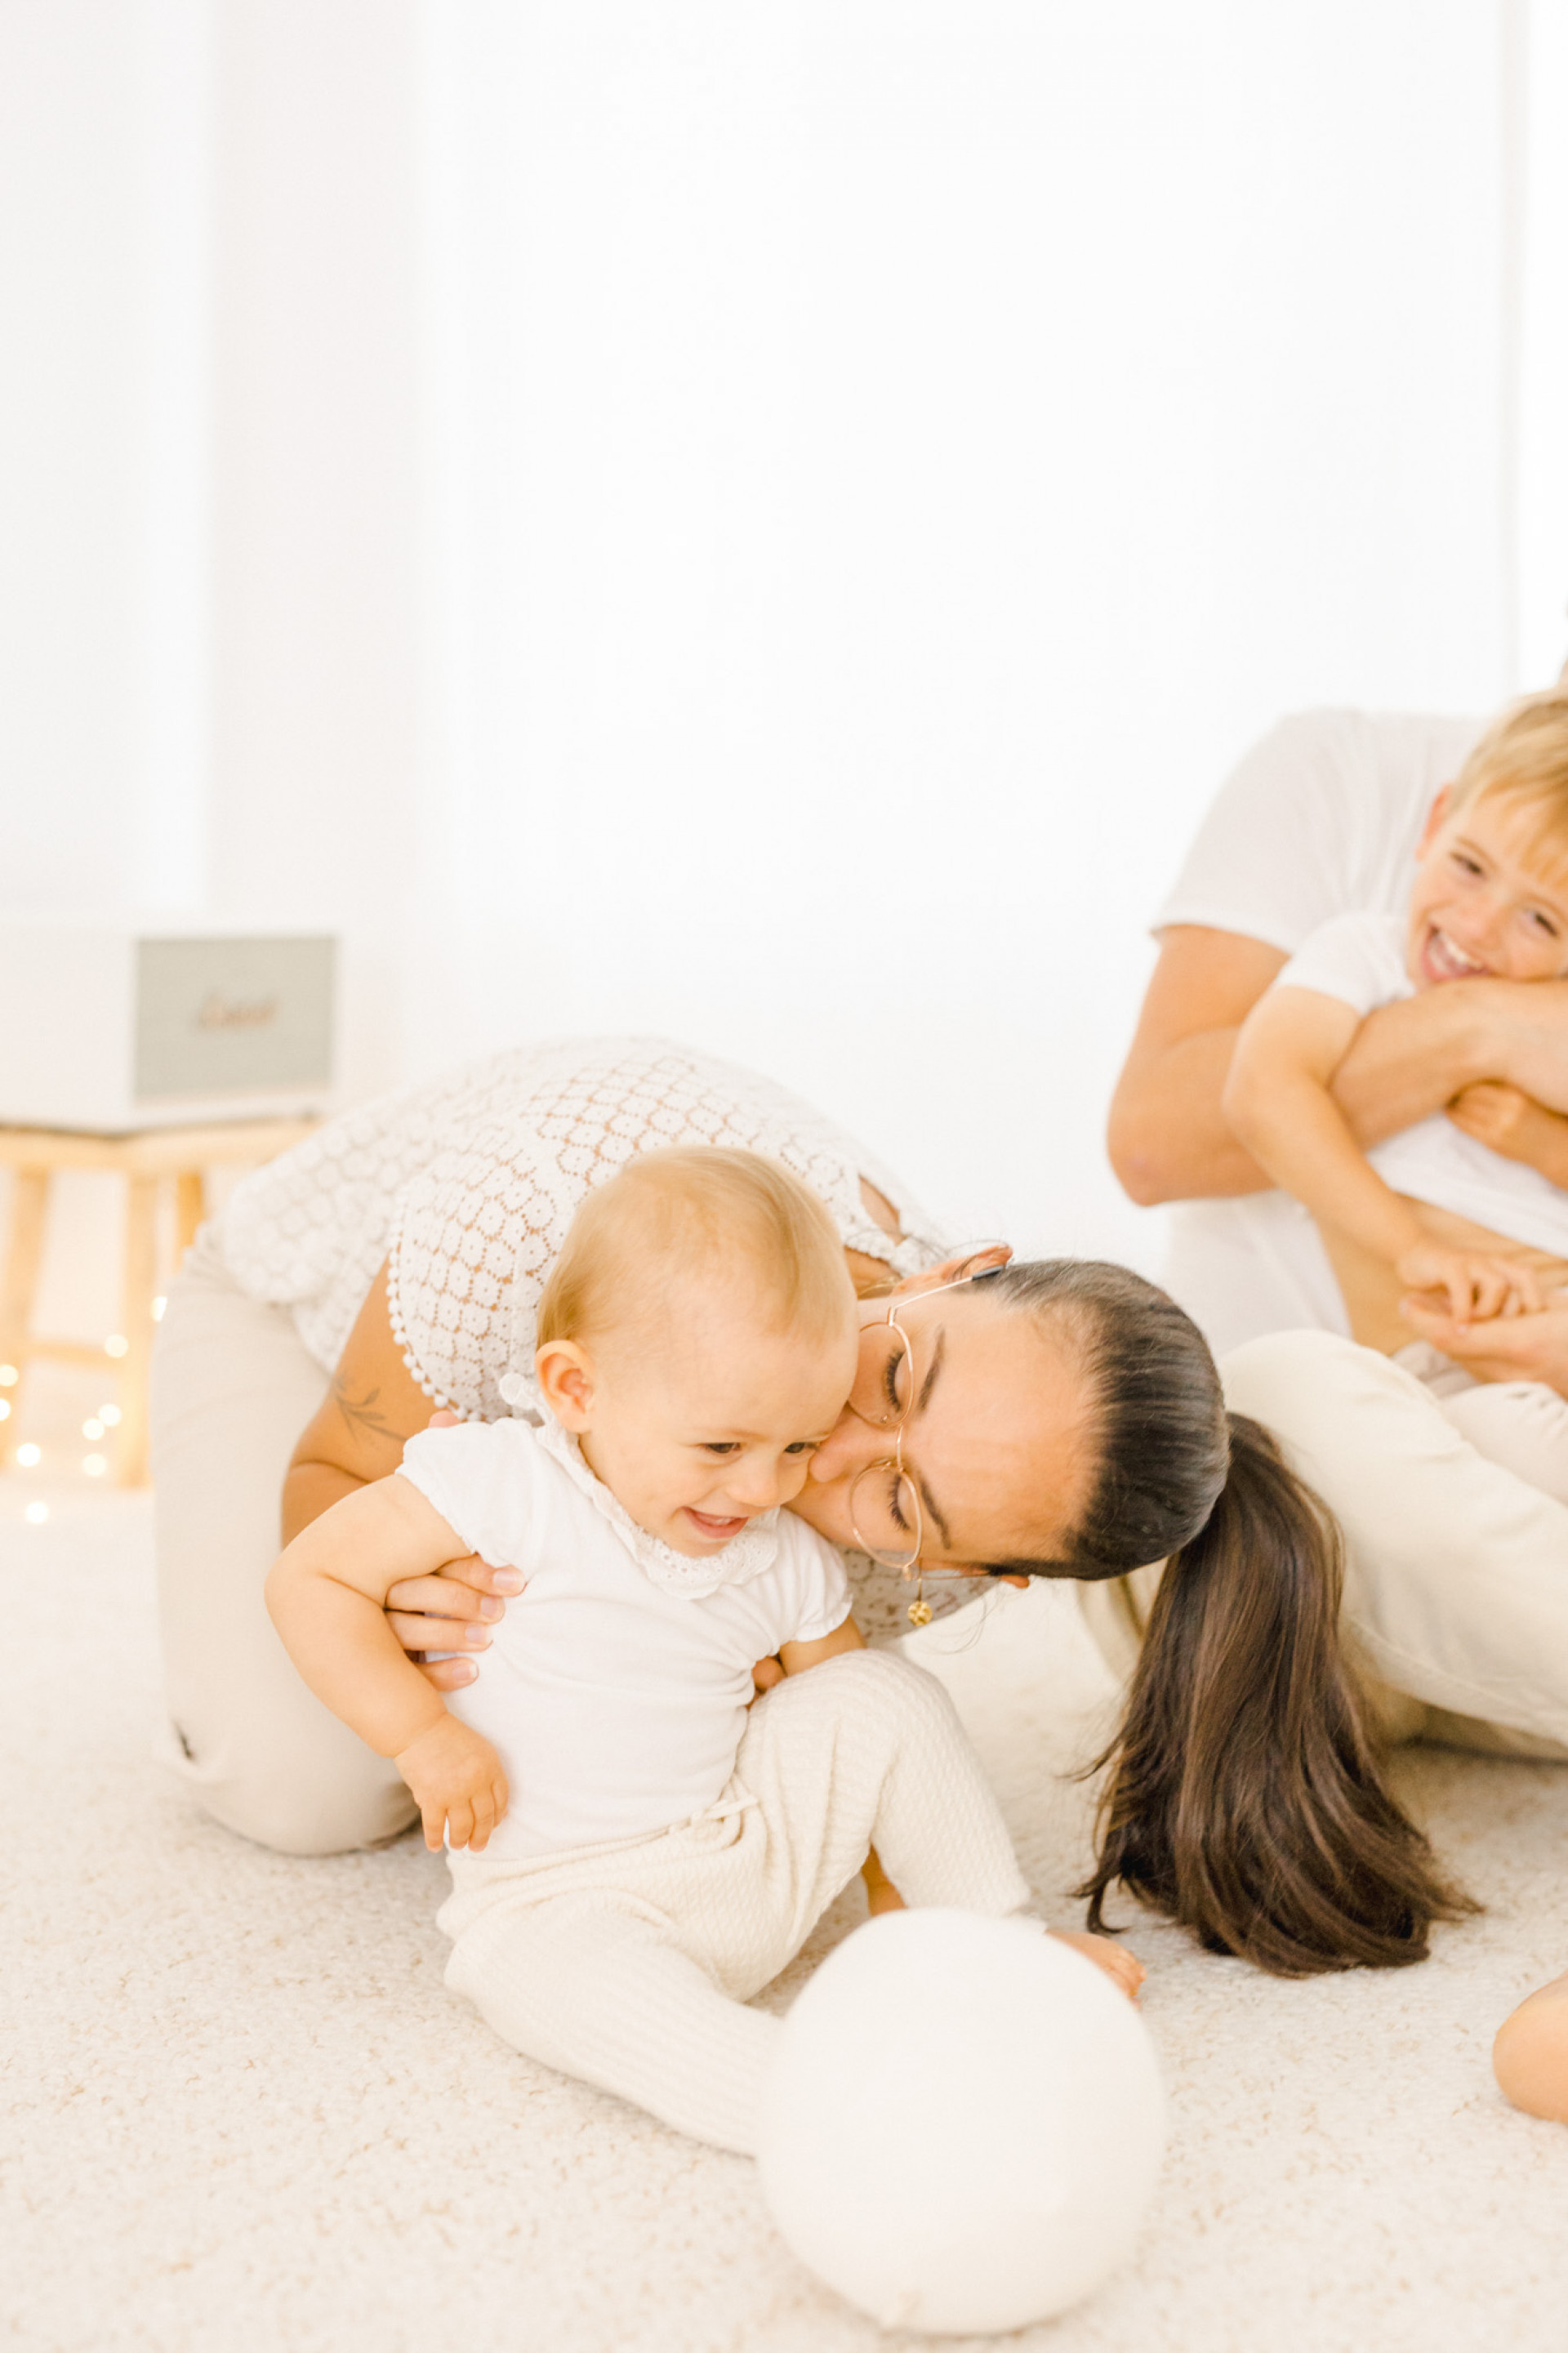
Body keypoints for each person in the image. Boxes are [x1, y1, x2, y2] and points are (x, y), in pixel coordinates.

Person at [151, 1034, 1460, 1976]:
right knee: (314, 1785)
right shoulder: (539, 1208)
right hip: (309, 1320)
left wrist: (938, 1936)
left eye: (897, 1497)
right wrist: (402, 1614)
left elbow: (824, 1714)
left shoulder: (921, 1571)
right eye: (897, 1373)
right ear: (957, 1269)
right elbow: (335, 1479)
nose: (814, 1452)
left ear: (969, 1577)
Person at [265, 1148, 1137, 2151]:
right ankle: (818, 2109)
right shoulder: (501, 1483)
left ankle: (992, 1945)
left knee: (882, 1693)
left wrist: (906, 1912)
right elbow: (310, 1580)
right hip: (562, 1903)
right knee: (591, 1996)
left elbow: (855, 1729)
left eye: (798, 1445)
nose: (764, 1490)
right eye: (723, 1447)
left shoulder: (777, 1551)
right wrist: (420, 1737)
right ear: (576, 1388)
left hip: (742, 1860)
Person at [1222, 691, 1568, 1504]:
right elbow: (1262, 1090)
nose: (1479, 926)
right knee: (1497, 1458)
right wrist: (1413, 1248)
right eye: (1469, 865)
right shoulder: (1363, 959)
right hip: (1448, 1367)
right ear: (1436, 820)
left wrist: (1544, 1145)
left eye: (1541, 922)